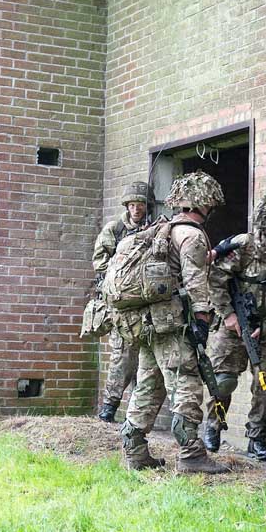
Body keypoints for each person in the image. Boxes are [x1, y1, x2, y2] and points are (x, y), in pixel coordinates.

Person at [118, 171, 228, 473]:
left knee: (149, 386)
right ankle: (192, 454)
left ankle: (134, 451)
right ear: (205, 203)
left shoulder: (164, 228)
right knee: (186, 383)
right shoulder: (191, 234)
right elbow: (195, 283)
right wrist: (203, 321)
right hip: (173, 325)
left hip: (148, 324)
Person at [203, 194, 266, 461]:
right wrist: (229, 316)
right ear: (263, 227)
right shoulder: (243, 247)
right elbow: (215, 280)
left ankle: (257, 439)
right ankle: (213, 426)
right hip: (232, 327)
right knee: (223, 382)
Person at [92, 181, 153, 422]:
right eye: (132, 205)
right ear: (126, 206)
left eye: (140, 205)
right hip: (122, 303)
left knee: (146, 357)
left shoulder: (155, 228)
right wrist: (122, 276)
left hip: (147, 304)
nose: (136, 209)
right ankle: (109, 408)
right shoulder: (115, 229)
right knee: (122, 357)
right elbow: (99, 262)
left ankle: (136, 416)